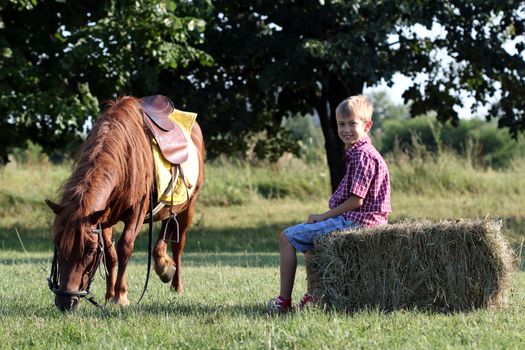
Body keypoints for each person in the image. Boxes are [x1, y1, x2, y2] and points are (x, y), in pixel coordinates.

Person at [267, 95, 391, 313]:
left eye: (352, 123)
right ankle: (313, 297)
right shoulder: (365, 152)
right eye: (341, 124)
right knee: (311, 243)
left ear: (367, 125)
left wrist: (324, 216)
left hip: (358, 222)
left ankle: (283, 302)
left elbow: (356, 201)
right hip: (367, 220)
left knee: (287, 237)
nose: (345, 129)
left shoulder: (362, 156)